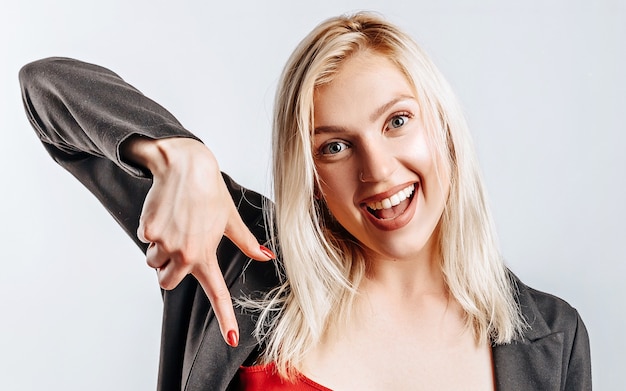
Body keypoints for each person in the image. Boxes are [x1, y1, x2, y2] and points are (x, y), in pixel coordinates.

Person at [19, 12, 590, 391]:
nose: (378, 171)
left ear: (442, 127)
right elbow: (45, 87)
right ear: (308, 172)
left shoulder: (552, 336)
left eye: (397, 121)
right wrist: (179, 155)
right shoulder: (243, 258)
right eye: (335, 146)